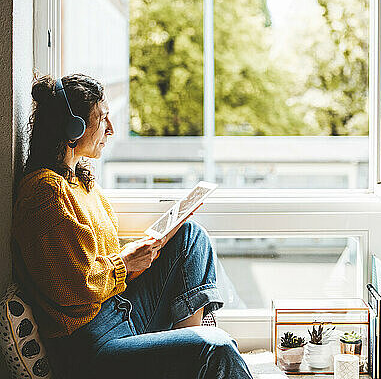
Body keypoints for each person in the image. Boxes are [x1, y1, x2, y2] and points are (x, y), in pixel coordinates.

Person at [11, 73, 254, 379]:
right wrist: (125, 263)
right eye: (103, 119)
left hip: (119, 310)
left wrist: (142, 254)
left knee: (191, 237)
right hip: (93, 348)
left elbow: (96, 261)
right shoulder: (45, 194)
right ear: (74, 128)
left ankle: (185, 358)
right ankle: (194, 355)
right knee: (216, 346)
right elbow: (74, 288)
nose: (110, 129)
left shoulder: (80, 183)